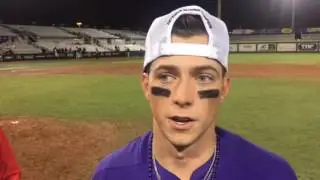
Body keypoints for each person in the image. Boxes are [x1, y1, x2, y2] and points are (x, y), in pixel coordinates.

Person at [92, 5, 297, 180]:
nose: (183, 98)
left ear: (224, 88)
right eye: (166, 77)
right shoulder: (110, 174)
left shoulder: (271, 174)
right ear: (146, 85)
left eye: (204, 78)